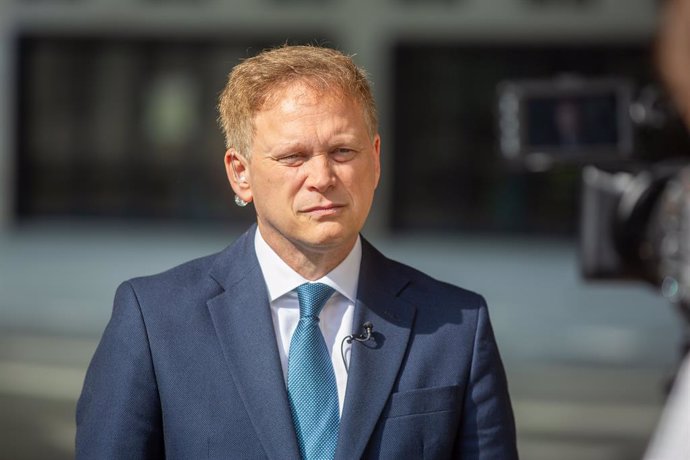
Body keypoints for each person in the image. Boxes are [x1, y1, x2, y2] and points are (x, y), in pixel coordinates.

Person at [75, 45, 518, 459]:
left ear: (376, 159)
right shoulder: (154, 319)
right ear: (240, 174)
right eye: (293, 157)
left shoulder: (456, 326)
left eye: (343, 151)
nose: (323, 176)